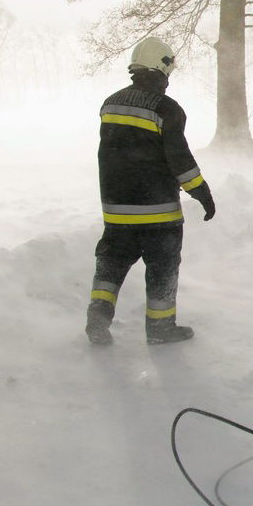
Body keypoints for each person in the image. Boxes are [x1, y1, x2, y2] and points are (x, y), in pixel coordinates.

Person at [85, 37, 216, 345]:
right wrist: (202, 193)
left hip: (116, 210)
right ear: (162, 68)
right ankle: (160, 329)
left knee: (111, 265)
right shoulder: (166, 109)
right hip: (158, 213)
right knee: (162, 270)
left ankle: (97, 318)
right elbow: (180, 160)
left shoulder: (110, 103)